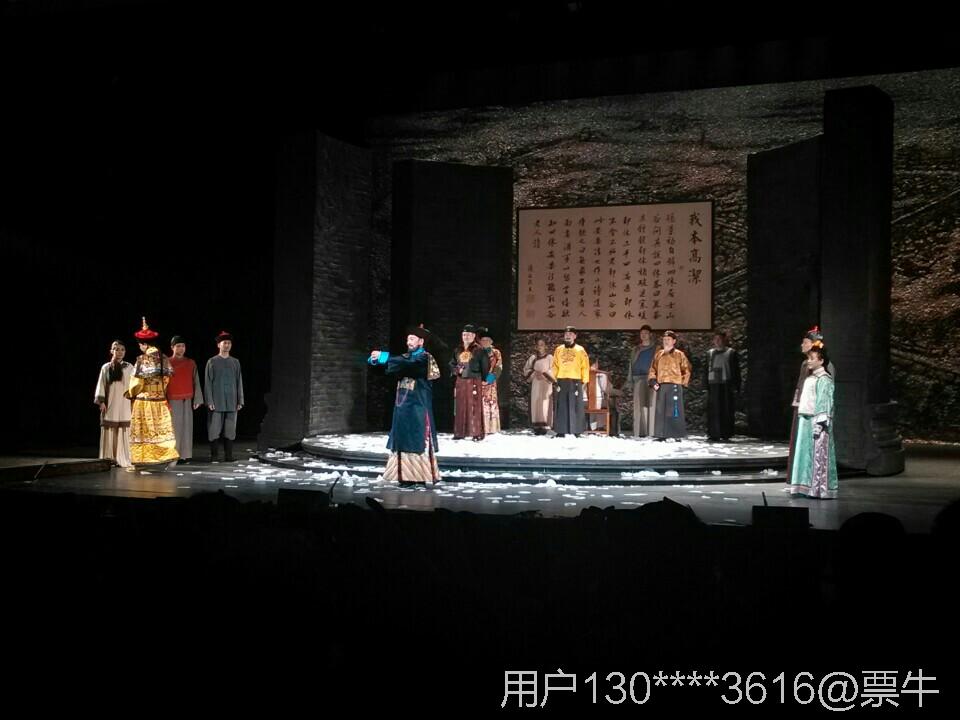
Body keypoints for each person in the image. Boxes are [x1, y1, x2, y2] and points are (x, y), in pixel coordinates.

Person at [369, 325, 442, 486]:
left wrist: (385, 357)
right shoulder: (404, 358)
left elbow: (409, 365)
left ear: (421, 342)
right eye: (408, 339)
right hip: (402, 406)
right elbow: (391, 369)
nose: (409, 342)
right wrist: (377, 362)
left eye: (412, 339)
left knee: (416, 439)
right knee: (402, 439)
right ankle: (403, 476)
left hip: (418, 406)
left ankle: (419, 476)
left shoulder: (425, 359)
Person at [128, 318, 179, 468]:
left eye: (140, 344)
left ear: (144, 344)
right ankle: (168, 456)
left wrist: (130, 393)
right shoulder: (164, 358)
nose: (140, 347)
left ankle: (143, 459)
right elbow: (166, 380)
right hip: (160, 401)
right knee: (161, 430)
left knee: (144, 431)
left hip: (144, 402)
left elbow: (137, 383)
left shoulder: (142, 360)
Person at [789, 345, 838, 499]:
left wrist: (819, 424)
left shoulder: (824, 379)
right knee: (804, 456)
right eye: (808, 358)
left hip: (815, 422)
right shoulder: (811, 378)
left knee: (817, 456)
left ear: (821, 361)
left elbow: (824, 402)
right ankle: (803, 486)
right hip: (805, 420)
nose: (809, 361)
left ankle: (818, 488)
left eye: (812, 358)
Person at [205, 330, 244, 462]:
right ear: (218, 345)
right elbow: (208, 382)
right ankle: (214, 455)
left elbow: (239, 381)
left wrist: (240, 400)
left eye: (229, 343)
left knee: (230, 428)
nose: (227, 345)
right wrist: (209, 400)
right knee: (214, 428)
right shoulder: (212, 361)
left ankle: (229, 455)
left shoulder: (235, 362)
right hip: (217, 400)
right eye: (224, 343)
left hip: (232, 400)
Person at [94, 340, 134, 468]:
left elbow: (134, 386)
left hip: (125, 403)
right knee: (110, 429)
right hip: (110, 403)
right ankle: (109, 459)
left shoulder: (129, 367)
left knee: (124, 429)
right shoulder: (106, 367)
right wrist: (101, 402)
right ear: (112, 351)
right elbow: (101, 384)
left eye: (122, 349)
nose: (120, 352)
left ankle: (123, 458)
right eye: (117, 349)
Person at [166, 335, 204, 464]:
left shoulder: (190, 363)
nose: (181, 348)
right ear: (172, 347)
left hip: (187, 399)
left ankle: (185, 455)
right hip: (172, 399)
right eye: (178, 346)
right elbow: (163, 382)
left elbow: (196, 381)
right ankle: (173, 455)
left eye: (183, 346)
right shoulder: (167, 362)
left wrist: (197, 399)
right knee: (174, 428)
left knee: (187, 428)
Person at [648, 330, 691, 441]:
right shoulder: (659, 354)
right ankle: (661, 434)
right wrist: (653, 382)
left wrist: (682, 382)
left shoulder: (679, 354)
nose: (666, 341)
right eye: (664, 340)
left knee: (674, 410)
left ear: (674, 341)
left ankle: (676, 435)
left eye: (668, 339)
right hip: (661, 385)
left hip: (674, 385)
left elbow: (686, 369)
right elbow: (653, 369)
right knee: (660, 410)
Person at [449, 324, 489, 441]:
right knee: (460, 406)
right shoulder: (458, 349)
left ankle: (477, 433)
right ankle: (459, 432)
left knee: (474, 407)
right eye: (464, 335)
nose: (466, 337)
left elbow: (485, 366)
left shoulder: (479, 350)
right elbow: (451, 363)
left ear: (473, 336)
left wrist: (484, 379)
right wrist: (457, 370)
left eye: (468, 335)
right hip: (461, 381)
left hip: (474, 380)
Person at [551, 326, 590, 437]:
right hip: (561, 379)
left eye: (570, 334)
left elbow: (585, 366)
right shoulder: (559, 349)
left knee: (576, 406)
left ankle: (577, 431)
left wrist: (584, 381)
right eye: (566, 334)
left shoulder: (580, 350)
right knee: (561, 406)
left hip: (575, 380)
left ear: (575, 336)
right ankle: (560, 431)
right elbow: (555, 365)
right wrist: (555, 379)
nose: (568, 336)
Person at [705, 330, 741, 441]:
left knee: (726, 409)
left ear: (724, 340)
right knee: (713, 410)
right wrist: (705, 385)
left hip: (726, 384)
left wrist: (736, 385)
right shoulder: (710, 353)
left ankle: (726, 433)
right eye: (716, 339)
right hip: (713, 384)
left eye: (720, 339)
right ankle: (713, 433)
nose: (718, 341)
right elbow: (705, 369)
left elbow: (736, 370)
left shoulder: (731, 353)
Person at [626, 324, 657, 437]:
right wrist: (630, 381)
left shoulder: (656, 349)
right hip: (638, 378)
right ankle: (639, 432)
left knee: (651, 405)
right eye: (642, 333)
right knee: (639, 406)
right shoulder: (636, 349)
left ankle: (652, 431)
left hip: (651, 378)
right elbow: (631, 365)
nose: (643, 335)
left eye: (646, 333)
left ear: (650, 334)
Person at [522, 338, 555, 434]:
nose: (540, 347)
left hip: (546, 383)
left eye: (542, 344)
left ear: (545, 346)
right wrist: (535, 373)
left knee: (545, 403)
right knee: (536, 402)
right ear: (536, 347)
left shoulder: (550, 357)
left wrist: (545, 374)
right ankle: (536, 426)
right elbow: (526, 369)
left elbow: (554, 369)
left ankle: (546, 425)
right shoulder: (533, 358)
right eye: (538, 345)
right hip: (536, 382)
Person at [477, 327, 502, 435]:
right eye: (483, 340)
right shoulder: (477, 352)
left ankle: (490, 428)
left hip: (490, 383)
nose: (485, 342)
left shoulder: (496, 352)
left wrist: (489, 380)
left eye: (487, 340)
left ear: (491, 341)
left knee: (490, 403)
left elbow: (498, 367)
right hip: (478, 382)